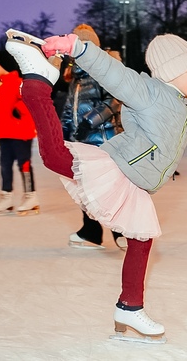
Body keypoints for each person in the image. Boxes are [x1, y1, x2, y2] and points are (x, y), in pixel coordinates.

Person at [4, 29, 187, 342]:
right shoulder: (146, 92)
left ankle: (130, 307)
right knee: (55, 156)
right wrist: (77, 48)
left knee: (142, 239)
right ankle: (37, 84)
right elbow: (112, 72)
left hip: (138, 184)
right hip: (118, 168)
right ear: (173, 70)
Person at [61, 24, 126, 250]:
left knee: (109, 187)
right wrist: (64, 132)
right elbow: (70, 109)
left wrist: (90, 121)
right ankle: (91, 232)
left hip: (105, 140)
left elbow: (114, 101)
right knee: (86, 190)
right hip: (82, 144)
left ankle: (121, 230)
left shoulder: (105, 71)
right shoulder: (76, 79)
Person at [0, 50, 40, 215]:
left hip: (20, 132)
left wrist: (20, 109)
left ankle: (30, 195)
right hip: (4, 133)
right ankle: (6, 196)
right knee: (5, 165)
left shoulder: (19, 84)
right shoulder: (2, 87)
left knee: (23, 164)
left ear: (4, 65)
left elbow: (31, 103)